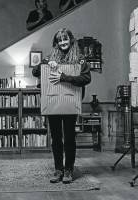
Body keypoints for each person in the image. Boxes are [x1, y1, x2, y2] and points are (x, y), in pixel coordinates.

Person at [32, 28, 91, 184]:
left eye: (65, 39)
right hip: (53, 104)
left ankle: (68, 169)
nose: (63, 42)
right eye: (60, 40)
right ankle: (58, 169)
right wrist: (45, 63)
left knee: (70, 138)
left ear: (71, 40)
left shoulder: (80, 58)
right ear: (56, 43)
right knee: (56, 138)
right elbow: (35, 71)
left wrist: (63, 77)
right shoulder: (51, 56)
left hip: (71, 104)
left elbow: (86, 78)